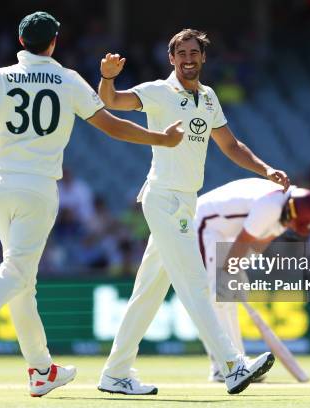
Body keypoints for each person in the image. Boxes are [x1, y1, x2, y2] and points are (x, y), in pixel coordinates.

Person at [0, 11, 183, 398]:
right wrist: (160, 139)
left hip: (0, 188)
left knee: (22, 281)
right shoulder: (68, 80)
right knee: (17, 271)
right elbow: (113, 126)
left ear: (21, 43)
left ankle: (40, 369)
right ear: (53, 42)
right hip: (39, 187)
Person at [96, 28, 290, 395]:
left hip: (187, 201)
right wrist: (107, 77)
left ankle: (115, 373)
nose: (188, 59)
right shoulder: (157, 91)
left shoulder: (209, 97)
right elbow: (112, 101)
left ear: (203, 58)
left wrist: (265, 169)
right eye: (181, 53)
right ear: (171, 58)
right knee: (196, 282)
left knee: (148, 293)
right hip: (163, 199)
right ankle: (231, 366)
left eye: (194, 53)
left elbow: (231, 146)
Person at [194, 178, 310, 382]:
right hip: (203, 223)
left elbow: (257, 245)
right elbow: (245, 239)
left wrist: (237, 271)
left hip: (226, 233)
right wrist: (229, 271)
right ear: (292, 209)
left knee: (227, 301)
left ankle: (234, 363)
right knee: (217, 299)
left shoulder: (284, 213)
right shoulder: (271, 206)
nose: (291, 226)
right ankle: (223, 366)